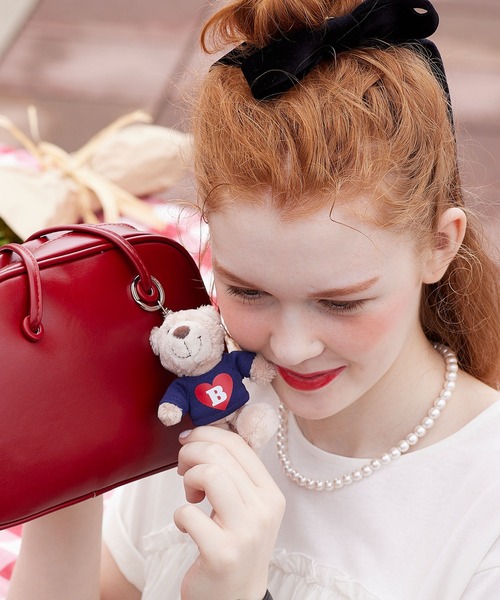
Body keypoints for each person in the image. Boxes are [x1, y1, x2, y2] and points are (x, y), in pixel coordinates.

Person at [7, 0, 500, 599]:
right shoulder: (204, 404)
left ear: (440, 245)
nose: (289, 348)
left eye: (341, 303)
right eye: (247, 291)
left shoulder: (484, 506)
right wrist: (69, 471)